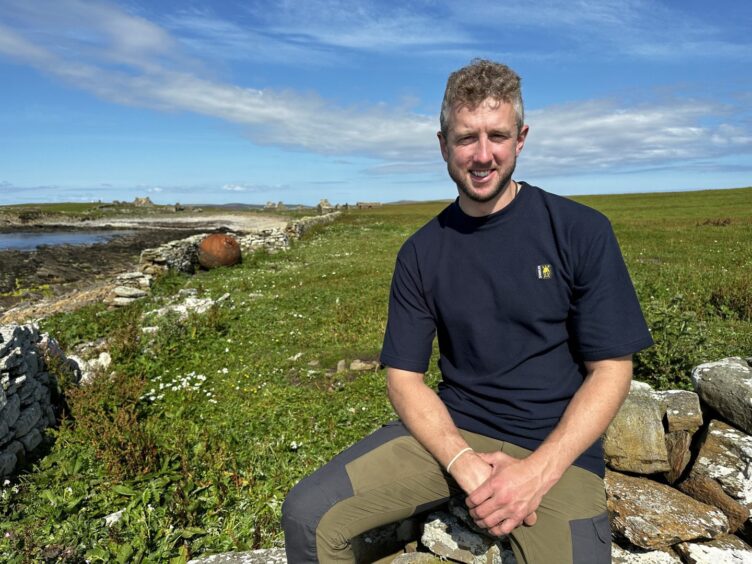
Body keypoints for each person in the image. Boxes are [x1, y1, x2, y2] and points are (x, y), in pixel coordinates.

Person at [282, 59, 653, 564]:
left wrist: (537, 473)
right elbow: (404, 378)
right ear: (442, 145)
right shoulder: (421, 252)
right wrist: (462, 462)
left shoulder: (580, 231)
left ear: (521, 139)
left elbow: (612, 368)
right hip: (453, 434)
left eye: (496, 136)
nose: (482, 156)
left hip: (556, 447)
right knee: (309, 516)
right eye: (465, 138)